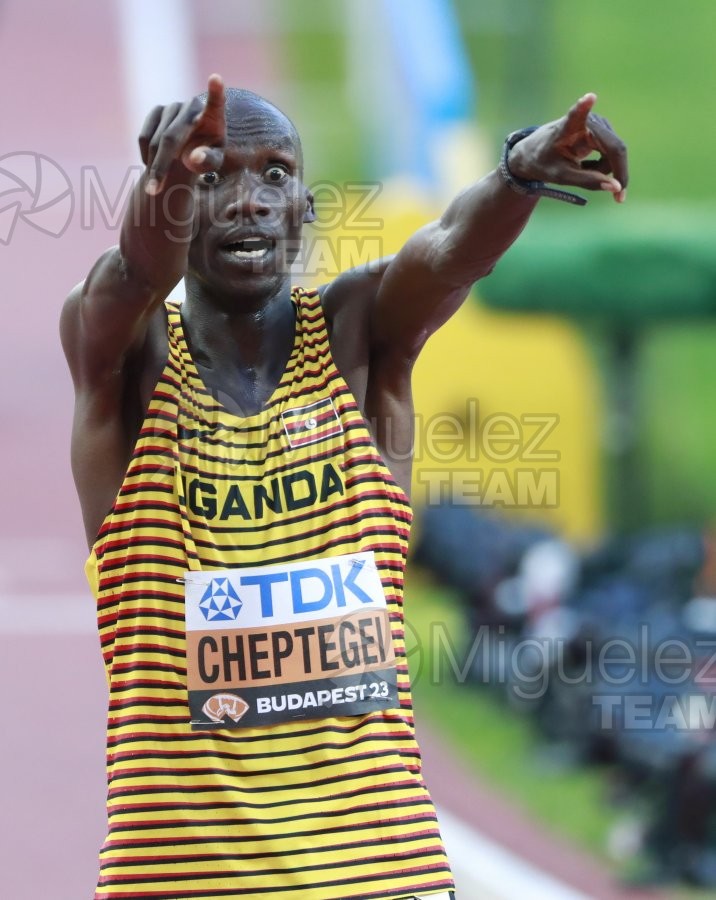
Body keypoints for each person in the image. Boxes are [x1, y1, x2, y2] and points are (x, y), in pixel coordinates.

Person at [61, 73, 627, 900]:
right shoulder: (125, 365)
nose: (250, 200)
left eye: (276, 174)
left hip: (380, 873)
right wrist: (169, 183)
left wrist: (518, 174)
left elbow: (446, 250)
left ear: (306, 213)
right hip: (182, 879)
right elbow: (128, 283)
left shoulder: (362, 337)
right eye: (216, 177)